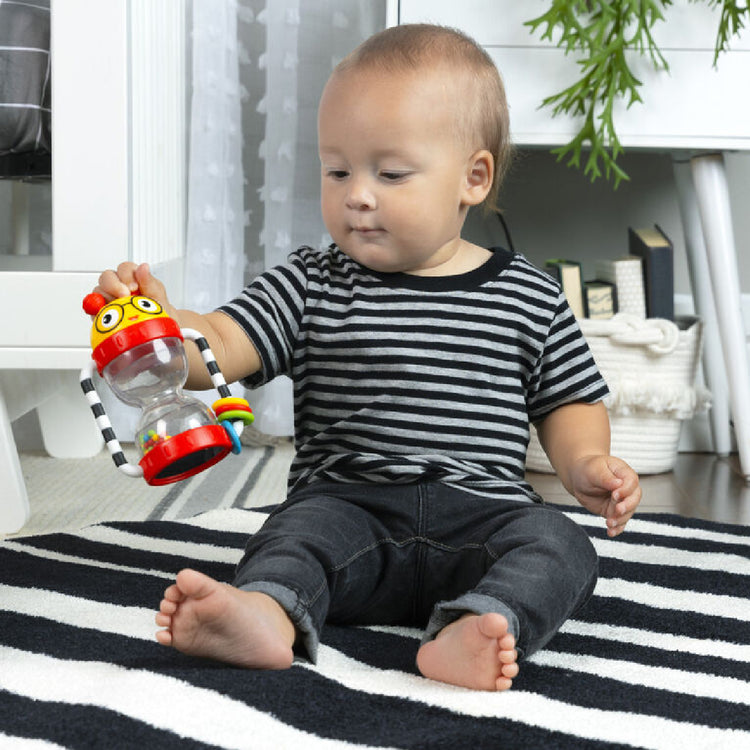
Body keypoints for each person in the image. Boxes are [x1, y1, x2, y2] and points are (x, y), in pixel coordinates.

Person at [92, 23, 641, 691]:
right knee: (290, 538)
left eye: (390, 172)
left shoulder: (526, 291)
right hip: (347, 511)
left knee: (561, 547)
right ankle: (267, 614)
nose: (357, 193)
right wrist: (159, 325)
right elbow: (223, 342)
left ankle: (481, 622)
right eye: (338, 170)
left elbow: (567, 400)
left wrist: (586, 462)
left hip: (485, 517)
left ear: (472, 177)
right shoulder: (310, 281)